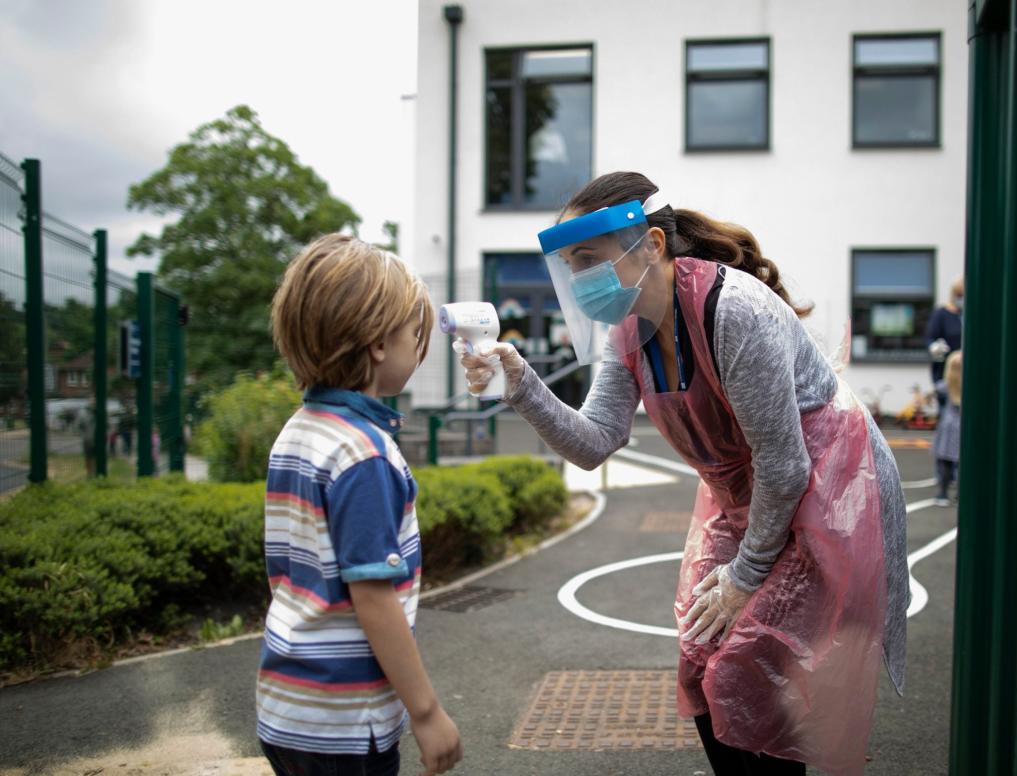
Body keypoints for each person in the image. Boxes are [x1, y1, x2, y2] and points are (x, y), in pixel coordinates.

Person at [455, 172, 908, 775]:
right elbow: (595, 441)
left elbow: (785, 463)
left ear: (653, 245)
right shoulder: (628, 331)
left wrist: (744, 577)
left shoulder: (733, 310)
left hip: (830, 485)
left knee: (752, 662)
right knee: (701, 656)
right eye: (571, 264)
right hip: (748, 496)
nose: (582, 277)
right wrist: (521, 385)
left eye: (589, 257)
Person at [260, 234, 463, 776]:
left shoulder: (298, 433)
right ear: (378, 344)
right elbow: (372, 597)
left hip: (287, 707)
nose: (418, 349)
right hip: (346, 724)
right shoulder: (364, 454)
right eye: (414, 334)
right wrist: (426, 712)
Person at [925, 277, 964, 408]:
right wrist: (934, 347)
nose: (962, 299)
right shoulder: (942, 314)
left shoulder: (970, 314)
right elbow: (930, 338)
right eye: (959, 295)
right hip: (948, 374)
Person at [933, 351, 963, 506]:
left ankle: (942, 493)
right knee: (962, 462)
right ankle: (960, 493)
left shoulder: (945, 386)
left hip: (948, 426)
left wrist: (937, 360)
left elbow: (936, 387)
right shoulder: (970, 385)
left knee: (945, 461)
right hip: (963, 426)